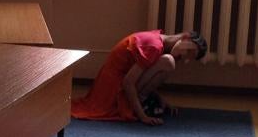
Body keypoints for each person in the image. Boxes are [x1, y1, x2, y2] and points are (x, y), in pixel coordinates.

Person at [71, 30, 207, 125]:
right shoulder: (154, 45)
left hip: (114, 83)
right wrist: (143, 116)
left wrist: (161, 99)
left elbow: (140, 76)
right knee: (168, 61)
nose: (185, 57)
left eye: (190, 57)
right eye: (188, 51)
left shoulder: (158, 41)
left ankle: (145, 101)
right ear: (185, 37)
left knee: (168, 61)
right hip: (113, 90)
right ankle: (141, 105)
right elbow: (128, 82)